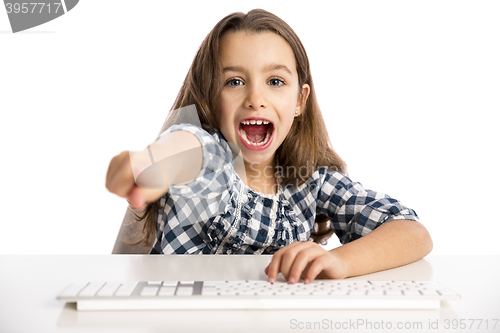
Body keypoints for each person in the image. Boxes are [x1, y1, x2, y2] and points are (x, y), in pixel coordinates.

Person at [105, 9, 433, 284]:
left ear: (299, 101)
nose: (256, 99)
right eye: (234, 81)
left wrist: (340, 261)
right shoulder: (207, 154)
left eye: (275, 82)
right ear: (211, 97)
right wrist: (150, 164)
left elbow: (413, 233)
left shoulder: (311, 182)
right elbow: (183, 148)